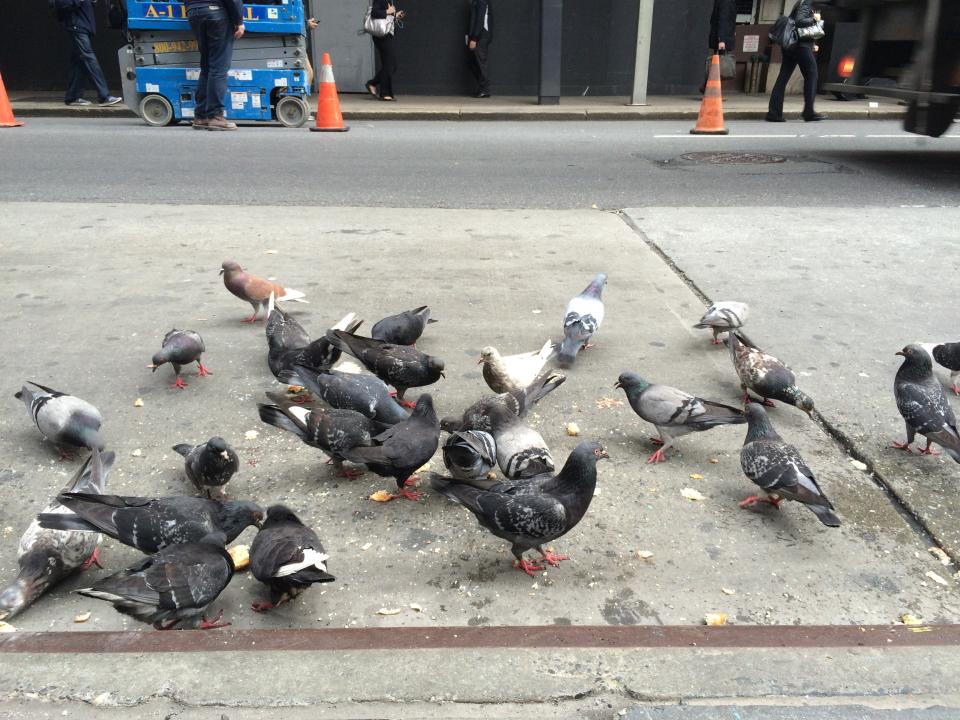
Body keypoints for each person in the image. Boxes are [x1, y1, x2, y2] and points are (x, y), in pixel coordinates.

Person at [185, 0, 245, 130]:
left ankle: (201, 116)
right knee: (218, 67)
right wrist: (239, 21)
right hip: (216, 13)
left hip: (193, 12)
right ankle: (216, 116)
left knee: (206, 67)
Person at [766, 0, 827, 122]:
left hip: (792, 45)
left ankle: (774, 113)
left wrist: (812, 44)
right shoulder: (807, 3)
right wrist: (814, 19)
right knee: (812, 74)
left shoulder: (803, 3)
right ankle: (808, 112)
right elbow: (799, 22)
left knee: (783, 77)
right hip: (800, 46)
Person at [55, 0, 122, 107]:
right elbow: (62, 4)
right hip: (76, 25)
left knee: (79, 61)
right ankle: (104, 96)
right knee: (88, 58)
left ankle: (73, 96)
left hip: (84, 25)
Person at [365, 0, 404, 102]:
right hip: (382, 36)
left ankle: (372, 83)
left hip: (386, 35)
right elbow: (374, 13)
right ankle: (385, 94)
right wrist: (388, 11)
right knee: (389, 65)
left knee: (392, 65)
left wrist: (395, 15)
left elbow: (386, 18)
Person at [467, 0, 492, 98]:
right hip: (478, 36)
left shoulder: (481, 1)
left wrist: (474, 38)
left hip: (481, 37)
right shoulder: (476, 1)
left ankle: (485, 89)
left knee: (480, 63)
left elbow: (480, 20)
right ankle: (483, 87)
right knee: (473, 63)